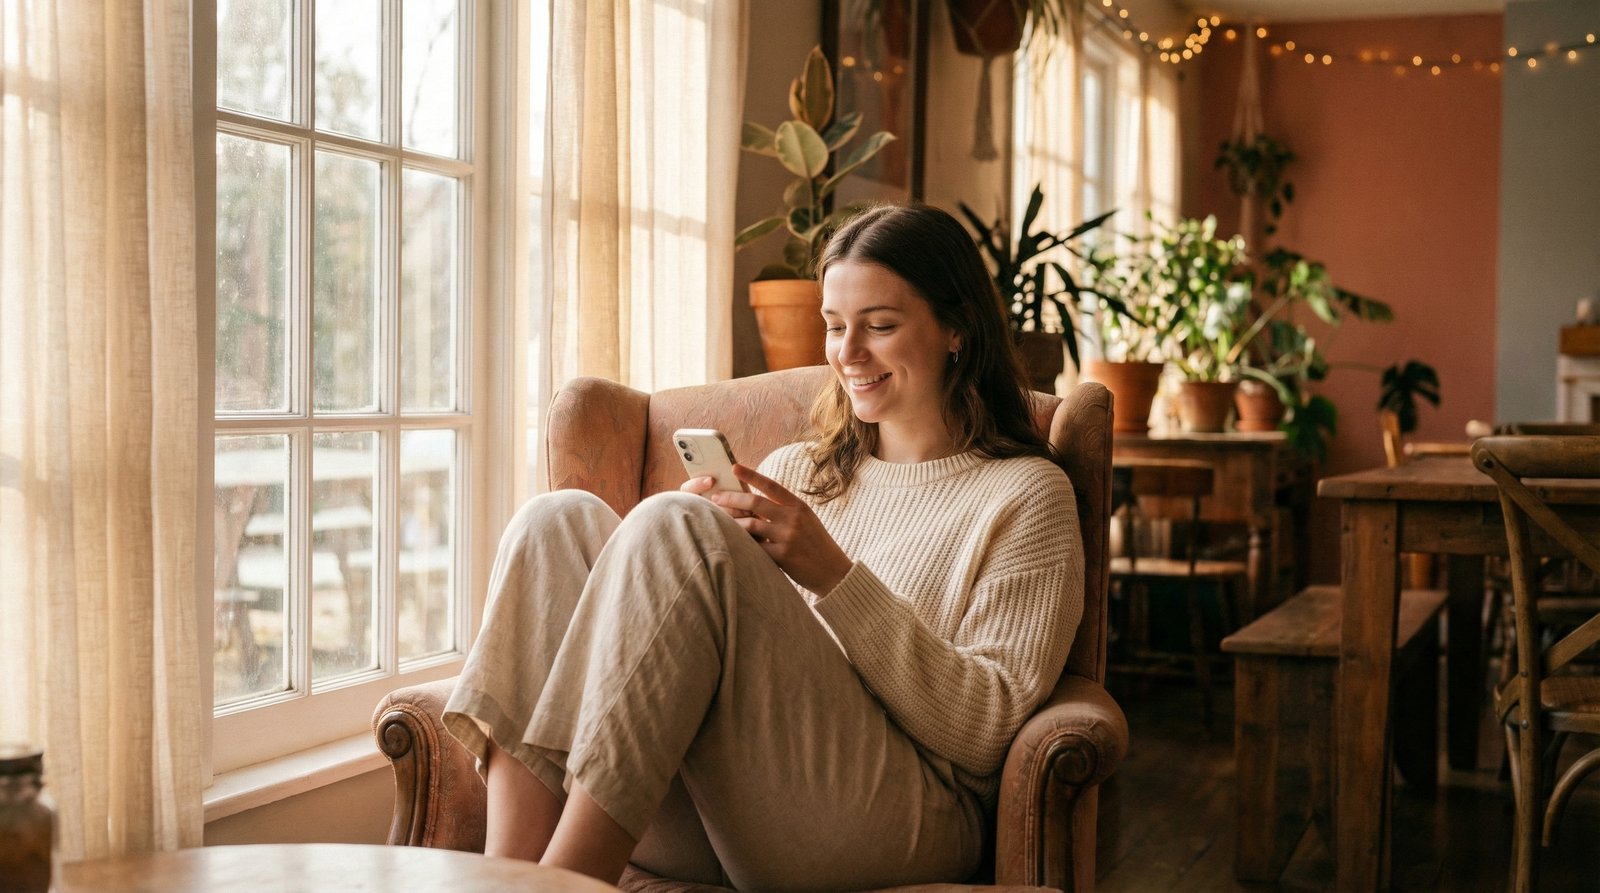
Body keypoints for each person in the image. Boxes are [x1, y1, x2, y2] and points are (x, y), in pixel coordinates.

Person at [442, 203, 1085, 890]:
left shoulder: (1026, 494)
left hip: (907, 814)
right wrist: (660, 557)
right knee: (557, 522)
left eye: (881, 325)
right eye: (836, 327)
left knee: (674, 530)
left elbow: (987, 728)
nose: (848, 353)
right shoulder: (794, 471)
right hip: (735, 806)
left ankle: (565, 883)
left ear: (957, 327)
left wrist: (834, 575)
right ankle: (503, 875)